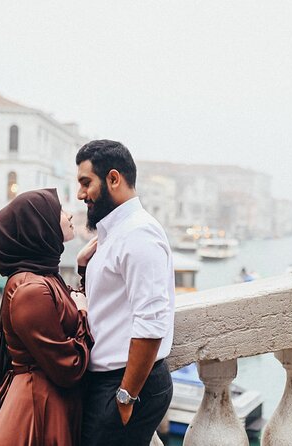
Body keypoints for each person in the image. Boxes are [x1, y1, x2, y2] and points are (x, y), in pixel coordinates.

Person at [76, 140, 175, 446]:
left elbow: (152, 322)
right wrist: (83, 268)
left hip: (126, 384)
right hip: (110, 381)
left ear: (114, 179)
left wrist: (125, 396)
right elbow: (109, 302)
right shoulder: (115, 233)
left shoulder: (138, 234)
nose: (81, 194)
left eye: (86, 183)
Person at [0, 188, 93, 446]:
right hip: (36, 412)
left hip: (47, 403)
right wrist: (83, 314)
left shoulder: (45, 277)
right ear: (39, 225)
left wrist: (83, 268)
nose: (70, 215)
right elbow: (69, 367)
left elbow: (69, 308)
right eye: (59, 211)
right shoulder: (31, 290)